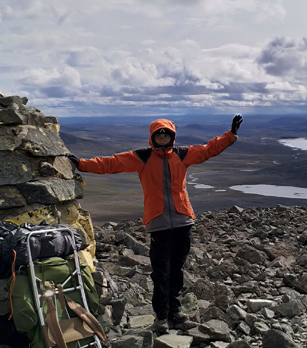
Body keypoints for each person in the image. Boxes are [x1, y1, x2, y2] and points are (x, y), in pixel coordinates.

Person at [70, 115, 243, 332]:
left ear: (172, 136)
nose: (162, 136)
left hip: (182, 220)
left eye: (166, 133)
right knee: (161, 271)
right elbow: (111, 163)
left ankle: (176, 312)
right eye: (158, 133)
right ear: (153, 137)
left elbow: (209, 149)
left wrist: (230, 135)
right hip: (158, 222)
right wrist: (82, 164)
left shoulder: (182, 154)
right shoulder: (142, 157)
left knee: (177, 269)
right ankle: (161, 317)